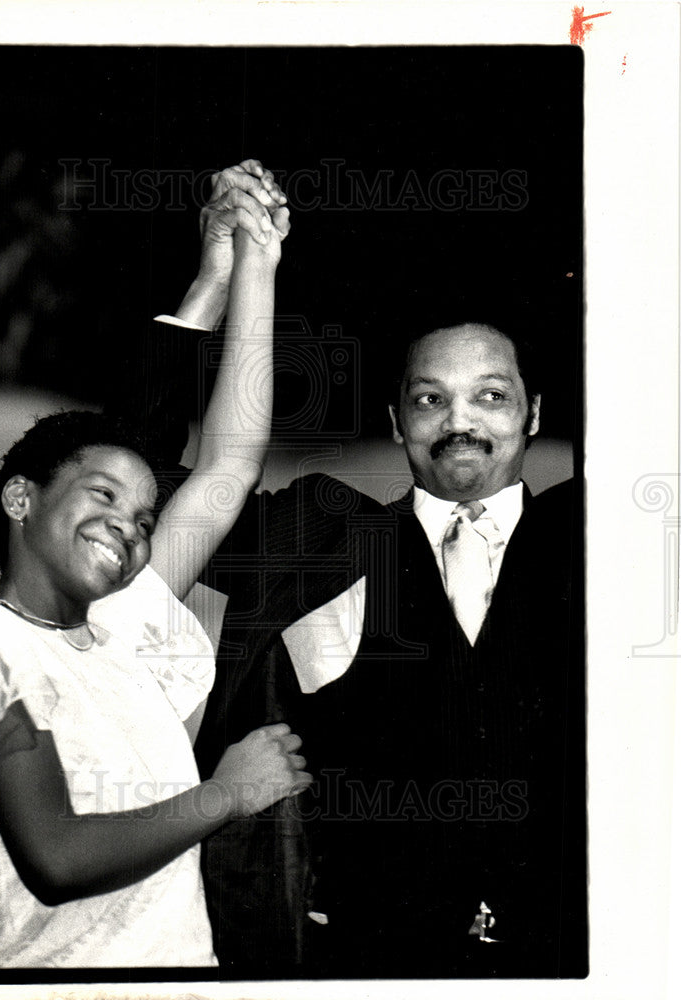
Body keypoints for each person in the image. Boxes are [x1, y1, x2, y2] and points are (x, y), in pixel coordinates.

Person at [0, 160, 313, 969]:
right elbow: (54, 857)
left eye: (145, 517)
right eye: (102, 496)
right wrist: (225, 794)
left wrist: (249, 263)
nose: (127, 526)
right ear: (21, 500)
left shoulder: (120, 628)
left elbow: (228, 468)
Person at [194, 312, 587, 978]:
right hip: (367, 960)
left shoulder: (594, 535)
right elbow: (153, 489)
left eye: (491, 396)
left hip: (575, 960)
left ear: (535, 414)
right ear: (398, 421)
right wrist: (216, 292)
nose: (460, 422)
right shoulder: (323, 537)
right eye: (430, 399)